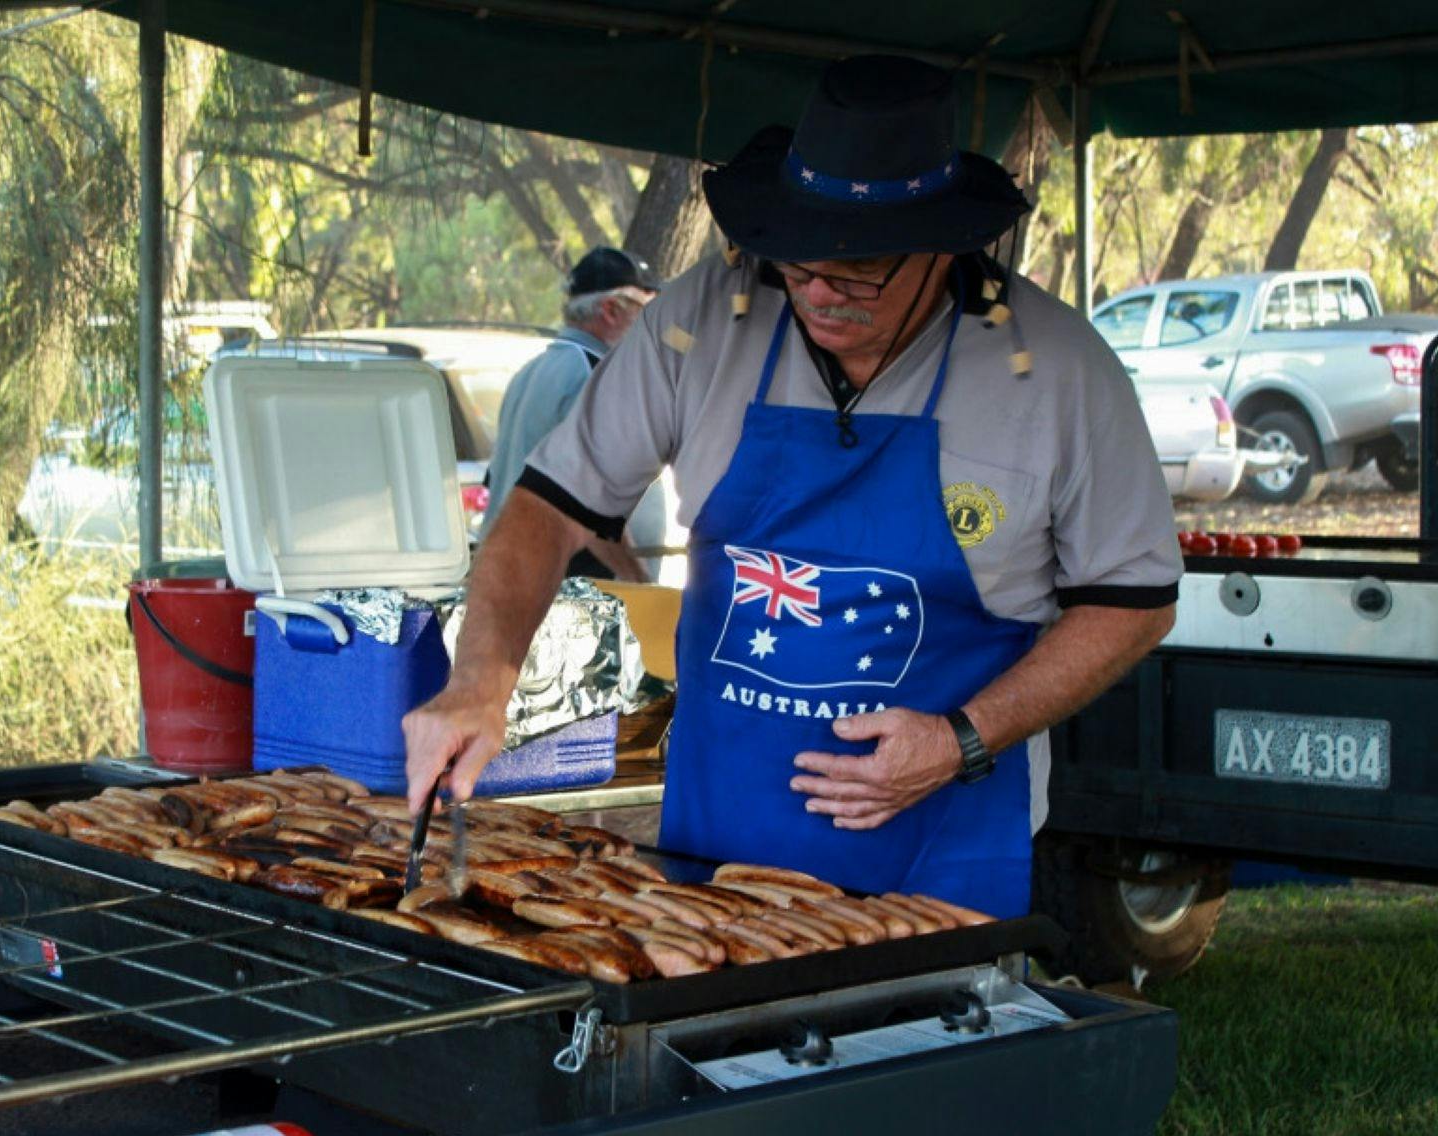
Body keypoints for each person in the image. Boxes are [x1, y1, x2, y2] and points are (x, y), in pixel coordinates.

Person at [404, 57, 1180, 919]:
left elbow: (1135, 603)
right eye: (797, 262)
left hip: (941, 849)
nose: (816, 292)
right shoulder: (702, 322)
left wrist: (961, 739)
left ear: (942, 246)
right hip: (717, 849)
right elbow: (546, 510)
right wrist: (481, 679)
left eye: (856, 269)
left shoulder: (1058, 372)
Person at [482, 246, 661, 581]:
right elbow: (590, 506)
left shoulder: (530, 371)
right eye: (647, 309)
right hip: (577, 590)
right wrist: (641, 582)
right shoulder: (592, 377)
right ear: (611, 310)